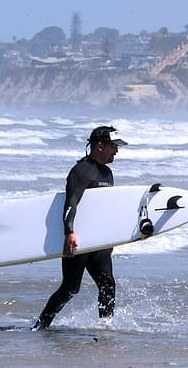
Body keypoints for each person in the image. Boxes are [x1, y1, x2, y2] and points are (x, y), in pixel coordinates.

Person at [33, 126, 127, 330]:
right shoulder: (82, 170)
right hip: (78, 239)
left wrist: (111, 239)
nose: (116, 151)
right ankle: (41, 325)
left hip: (98, 241)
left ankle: (106, 327)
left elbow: (104, 209)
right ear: (100, 146)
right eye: (113, 146)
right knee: (70, 288)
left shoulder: (107, 173)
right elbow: (71, 203)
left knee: (108, 285)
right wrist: (69, 232)